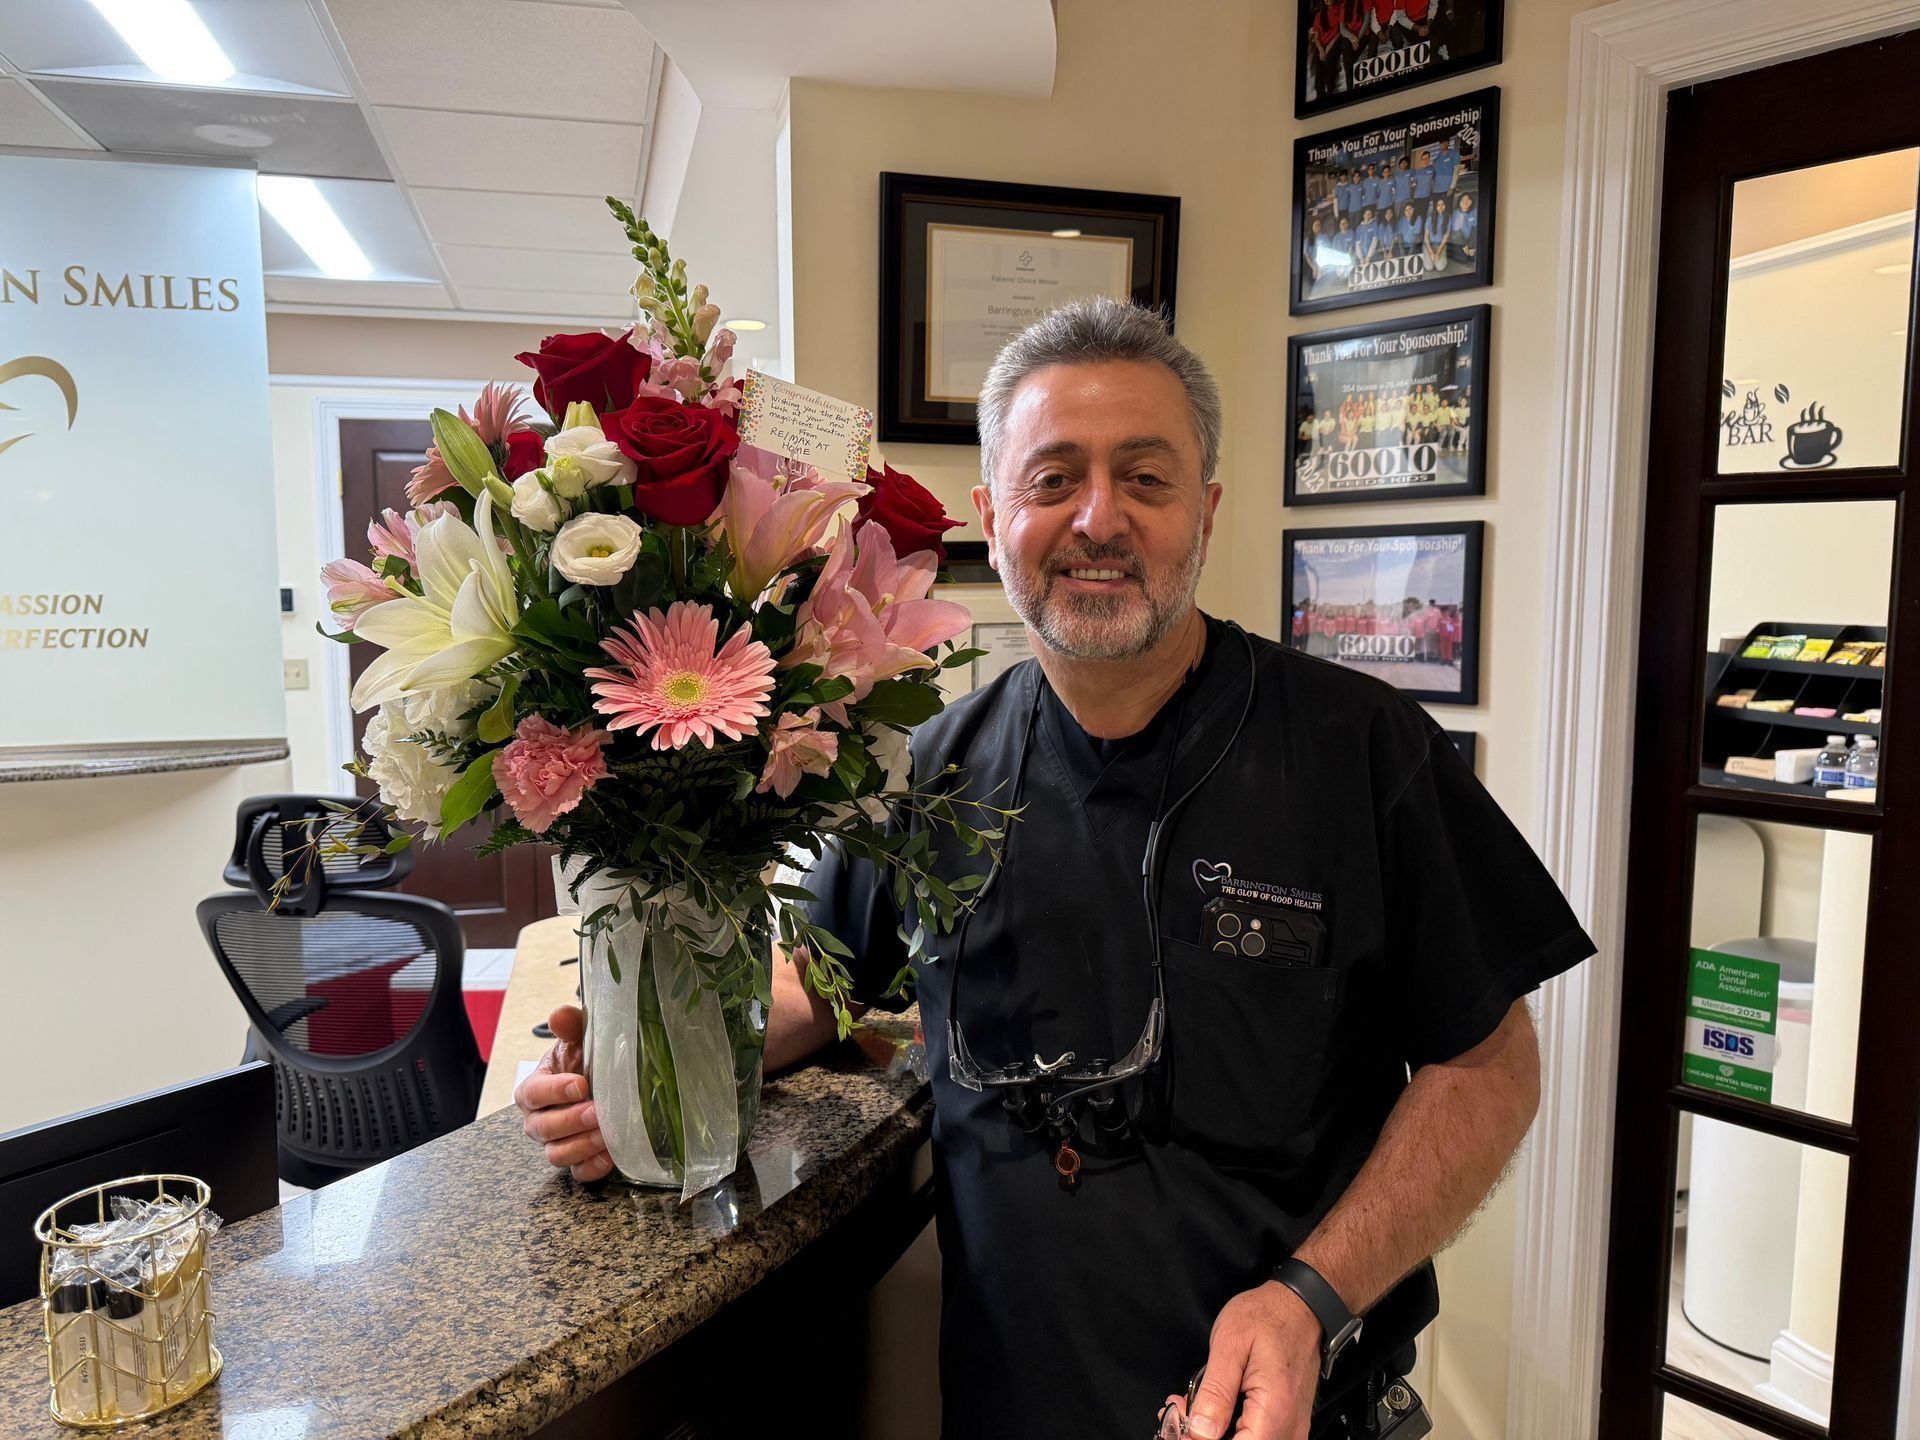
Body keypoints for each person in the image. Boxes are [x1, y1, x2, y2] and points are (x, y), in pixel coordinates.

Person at [516, 298, 1594, 1440]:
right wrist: (652, 1060)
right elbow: (819, 988)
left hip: (1290, 1413)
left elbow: (1489, 1069)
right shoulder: (926, 775)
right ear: (992, 513)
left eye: (1146, 478)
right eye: (1052, 480)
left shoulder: (1364, 753)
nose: (1099, 519)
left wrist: (1307, 1300)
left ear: (1207, 513)